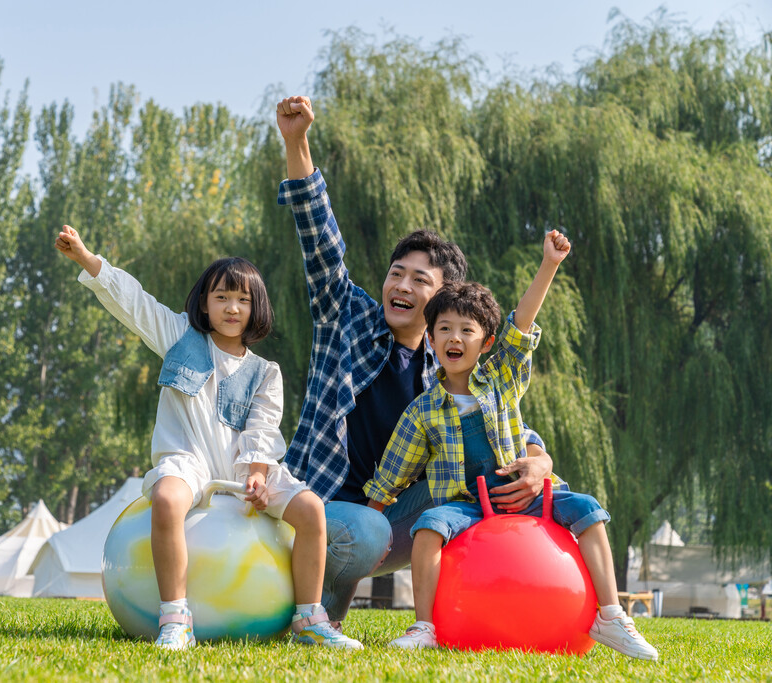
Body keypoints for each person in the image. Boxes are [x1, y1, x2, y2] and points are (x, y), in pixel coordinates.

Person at [275, 95, 555, 625]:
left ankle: (473, 606)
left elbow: (498, 420)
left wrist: (538, 461)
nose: (400, 285)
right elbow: (320, 240)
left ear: (445, 297)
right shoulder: (349, 318)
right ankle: (318, 607)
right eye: (395, 273)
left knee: (480, 484)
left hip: (393, 516)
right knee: (367, 529)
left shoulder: (446, 362)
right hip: (324, 506)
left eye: (419, 280)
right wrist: (297, 142)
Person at [54, 225, 362, 651]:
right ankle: (176, 617)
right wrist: (89, 260)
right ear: (204, 302)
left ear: (257, 308)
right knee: (165, 499)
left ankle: (309, 618)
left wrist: (257, 474)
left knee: (311, 509)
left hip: (247, 469)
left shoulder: (265, 372)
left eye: (243, 299)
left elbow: (263, 428)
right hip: (188, 461)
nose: (232, 307)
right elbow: (134, 303)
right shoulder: (179, 337)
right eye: (221, 297)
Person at [365, 231, 658, 660]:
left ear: (486, 343)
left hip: (529, 497)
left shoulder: (503, 378)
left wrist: (549, 265)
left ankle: (611, 615)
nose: (455, 338)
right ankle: (424, 625)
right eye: (444, 329)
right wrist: (367, 537)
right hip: (467, 504)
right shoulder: (422, 412)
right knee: (427, 527)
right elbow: (390, 477)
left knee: (591, 511)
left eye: (467, 330)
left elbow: (521, 324)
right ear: (431, 340)